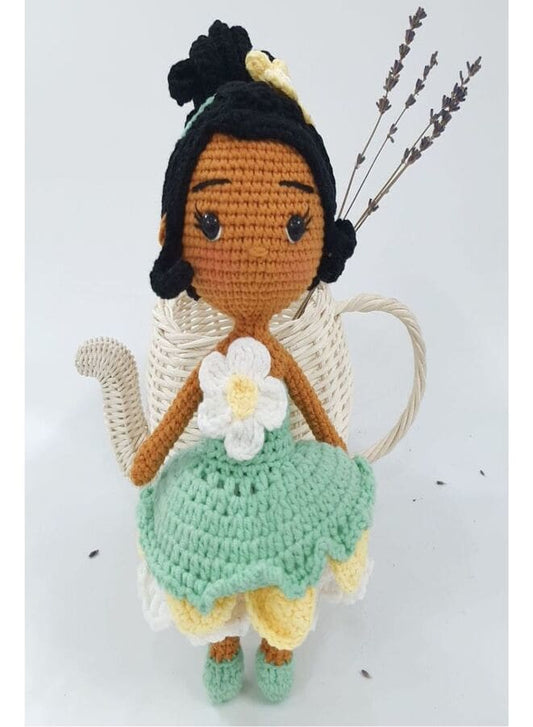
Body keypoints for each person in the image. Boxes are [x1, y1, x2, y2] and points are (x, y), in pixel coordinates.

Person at [133, 20, 374, 703]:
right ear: (176, 235)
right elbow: (182, 410)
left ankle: (275, 646)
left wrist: (334, 450)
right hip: (215, 481)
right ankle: (221, 643)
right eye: (210, 224)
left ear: (321, 237)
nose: (259, 251)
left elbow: (312, 411)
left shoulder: (275, 355)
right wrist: (150, 459)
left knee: (286, 566)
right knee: (210, 563)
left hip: (284, 479)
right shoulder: (218, 358)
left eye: (295, 226)